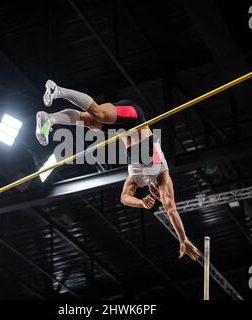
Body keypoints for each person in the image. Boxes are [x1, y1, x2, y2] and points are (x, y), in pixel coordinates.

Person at [36, 80, 200, 260]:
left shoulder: (137, 179)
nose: (160, 195)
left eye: (158, 196)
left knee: (89, 121)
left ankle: (49, 119)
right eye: (162, 194)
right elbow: (171, 209)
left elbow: (124, 197)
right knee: (98, 113)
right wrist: (183, 239)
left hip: (122, 127)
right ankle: (57, 90)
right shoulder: (163, 174)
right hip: (134, 116)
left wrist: (141, 203)